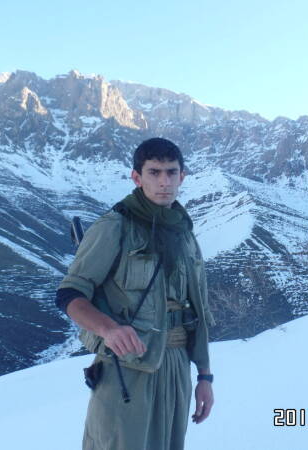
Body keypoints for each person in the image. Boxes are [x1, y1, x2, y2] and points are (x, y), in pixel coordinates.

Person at [56, 137, 215, 450]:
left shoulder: (184, 234)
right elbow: (69, 294)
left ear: (182, 176)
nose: (164, 182)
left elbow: (197, 311)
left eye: (171, 172)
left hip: (176, 366)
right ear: (137, 177)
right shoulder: (115, 226)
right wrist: (108, 329)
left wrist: (205, 377)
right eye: (154, 172)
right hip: (126, 368)